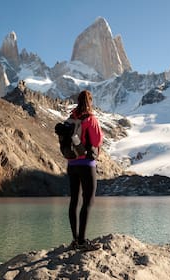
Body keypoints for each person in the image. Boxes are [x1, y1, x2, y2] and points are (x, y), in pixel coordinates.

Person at [67, 90, 103, 251]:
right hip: (86, 164)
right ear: (90, 101)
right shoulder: (90, 119)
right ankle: (82, 241)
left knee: (74, 200)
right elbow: (97, 140)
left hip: (71, 164)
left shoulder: (70, 118)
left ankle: (75, 239)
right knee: (88, 200)